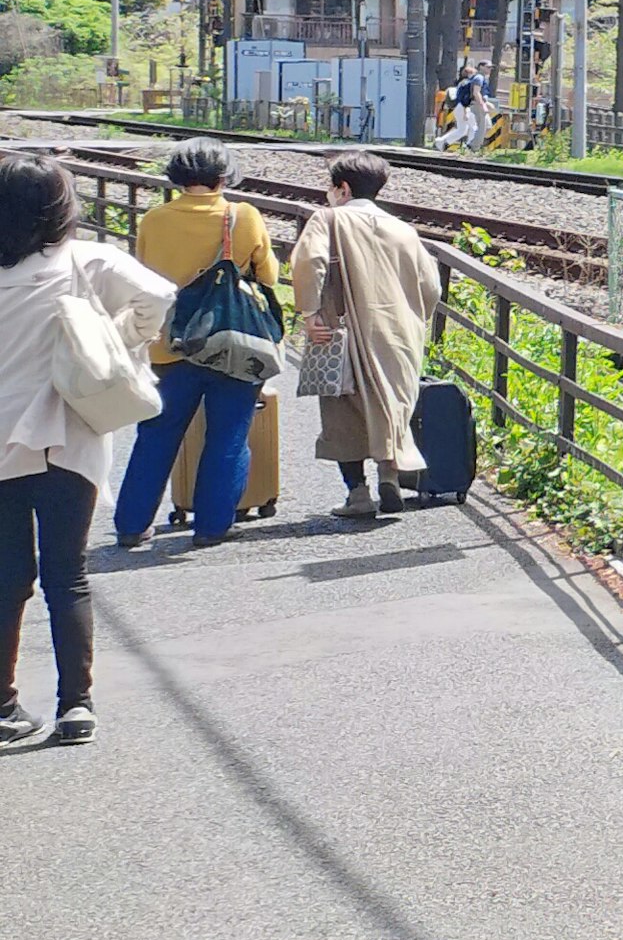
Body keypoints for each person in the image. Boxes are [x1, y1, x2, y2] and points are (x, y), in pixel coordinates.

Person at [0, 157, 174, 745]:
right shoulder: (84, 260)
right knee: (66, 575)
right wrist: (118, 338)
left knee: (6, 578)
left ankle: (3, 707)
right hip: (65, 438)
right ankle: (76, 706)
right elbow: (158, 294)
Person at [114, 142, 282, 550]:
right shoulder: (243, 216)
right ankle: (211, 526)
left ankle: (132, 525)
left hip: (172, 345)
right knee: (228, 436)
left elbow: (144, 276)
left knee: (156, 434)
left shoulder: (154, 220)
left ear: (176, 176)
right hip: (232, 344)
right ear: (224, 177)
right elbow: (270, 276)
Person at [292, 153, 445, 520]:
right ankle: (389, 478)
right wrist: (414, 320)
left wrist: (309, 313)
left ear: (342, 189)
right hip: (399, 335)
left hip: (342, 333)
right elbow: (431, 286)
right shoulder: (403, 230)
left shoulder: (327, 219)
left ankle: (357, 493)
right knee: (391, 407)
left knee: (343, 414)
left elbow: (308, 263)